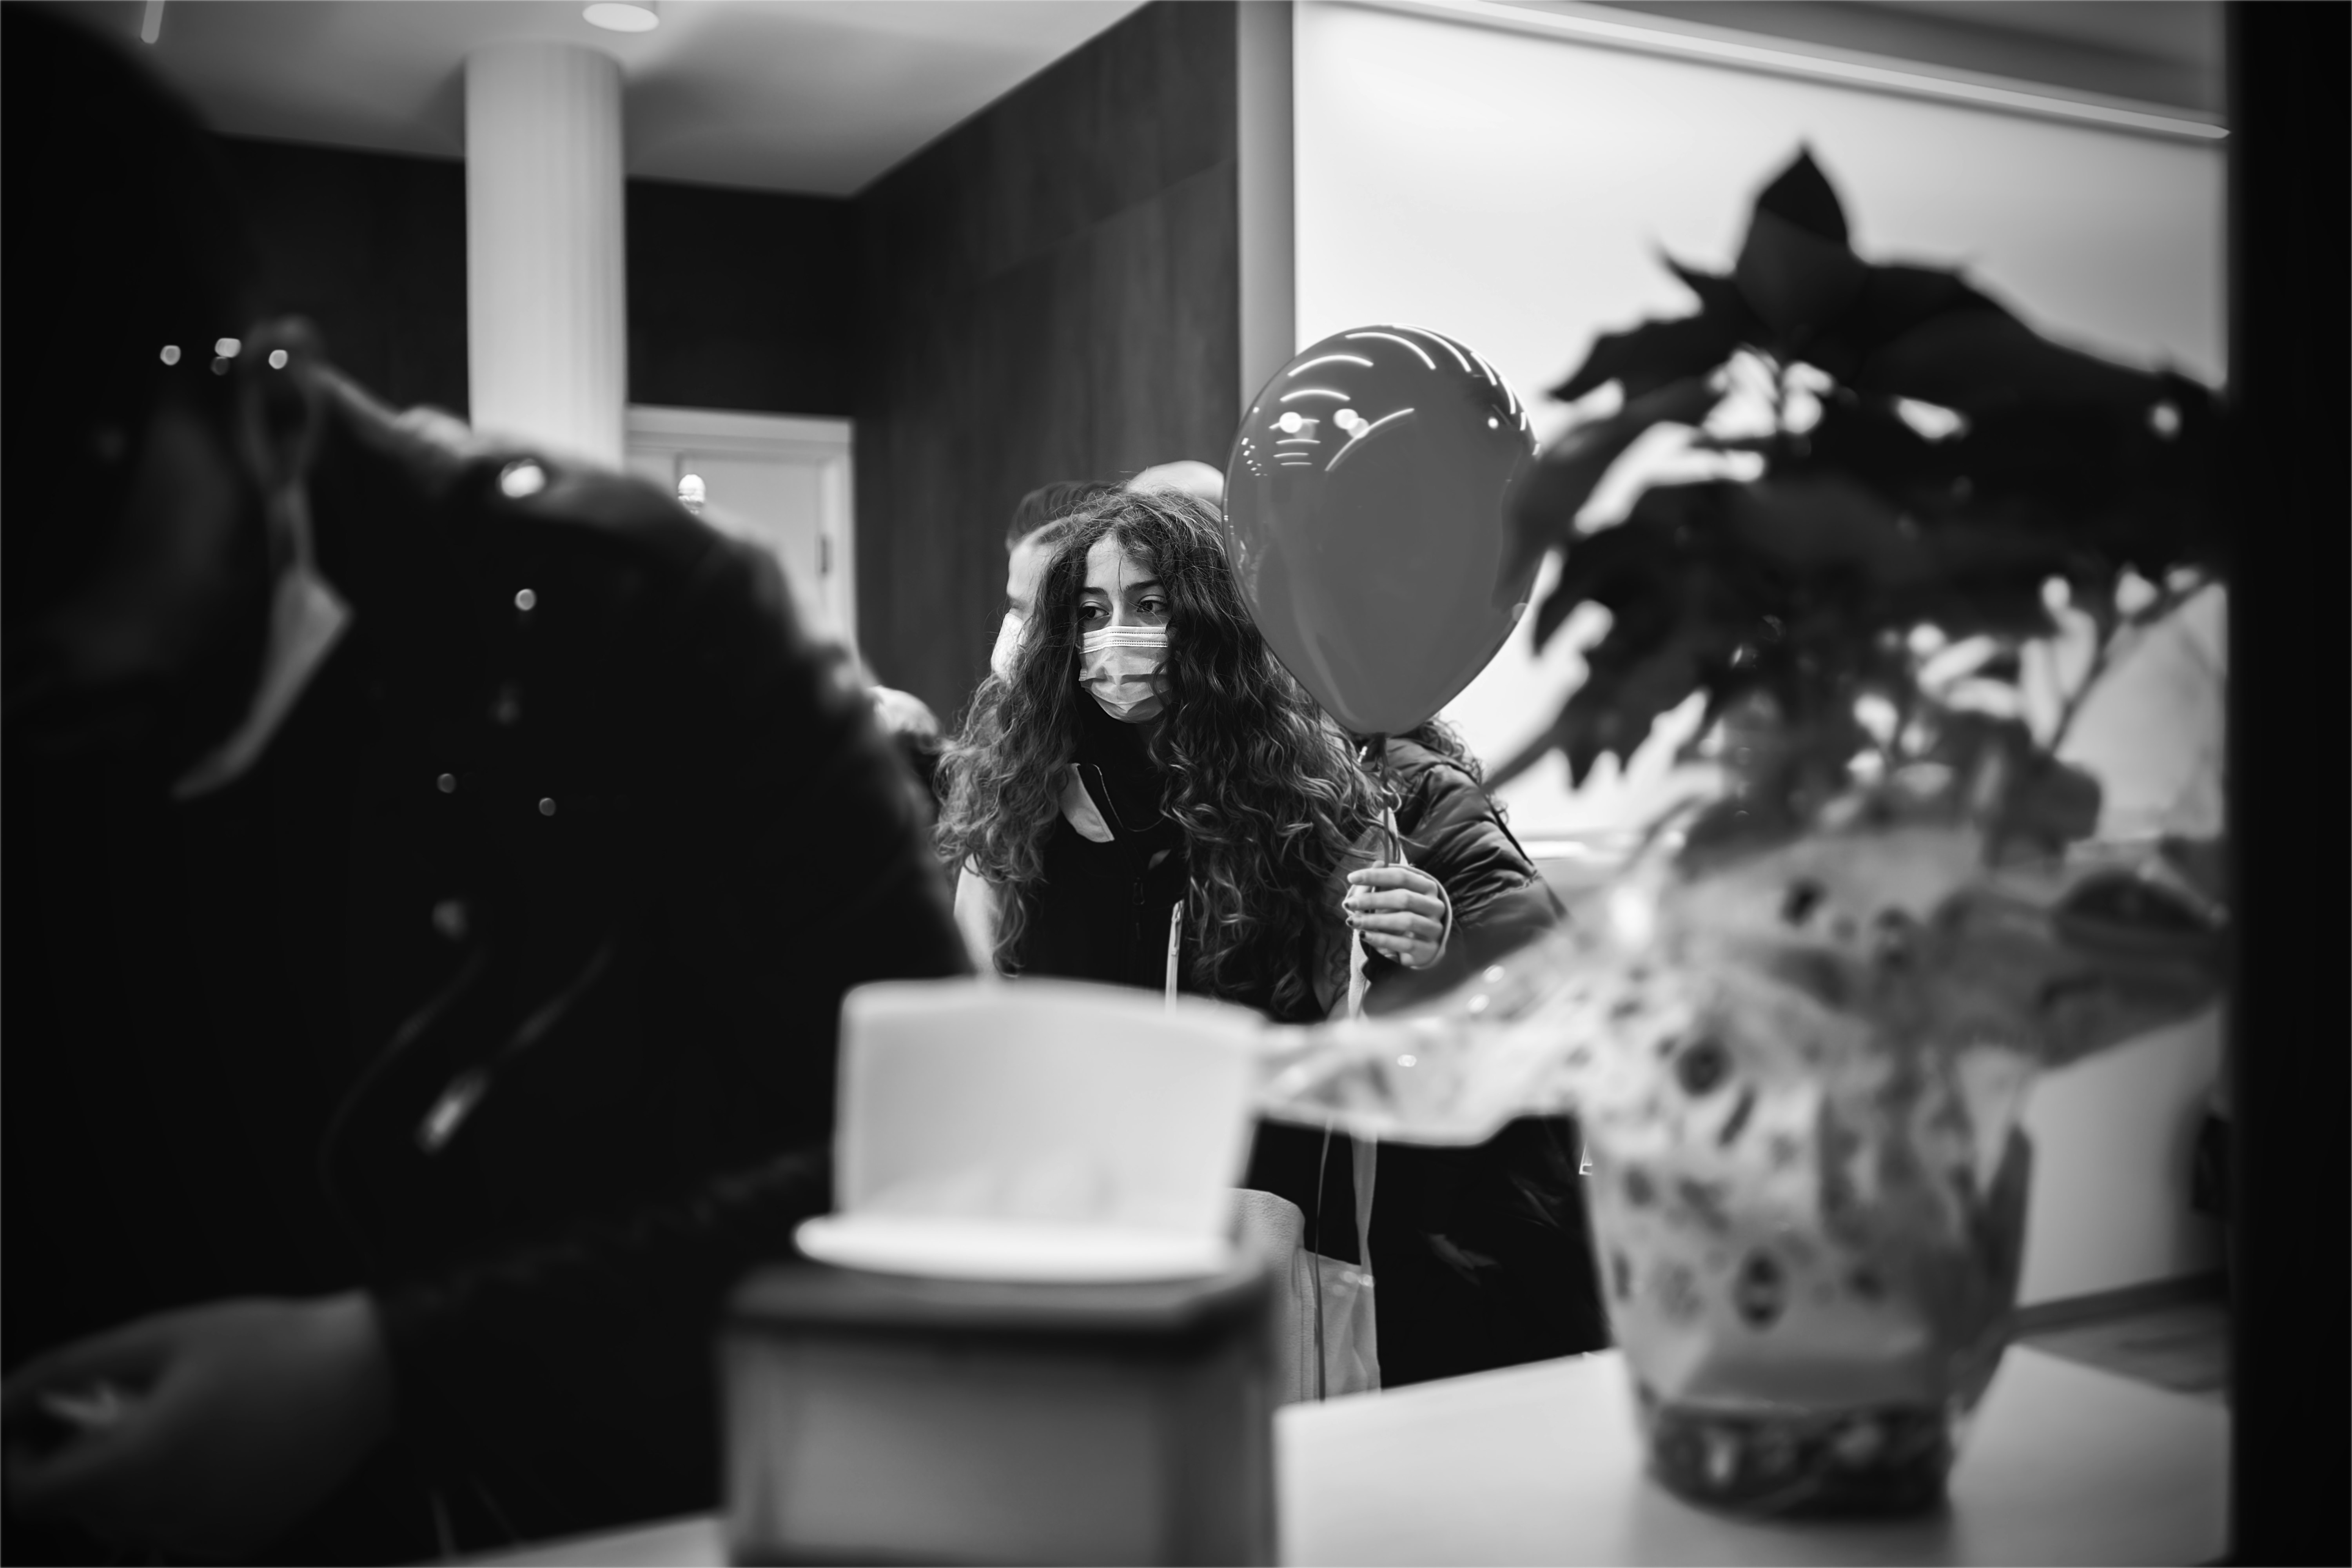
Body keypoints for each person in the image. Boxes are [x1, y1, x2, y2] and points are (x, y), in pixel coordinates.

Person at [0, 12, 967, 1562]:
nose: (34, 634)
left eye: (58, 524)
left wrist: (396, 1365)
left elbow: (933, 1151)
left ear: (257, 399)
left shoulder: (635, 622)